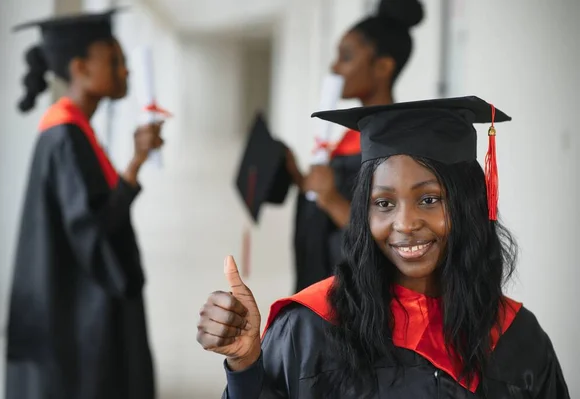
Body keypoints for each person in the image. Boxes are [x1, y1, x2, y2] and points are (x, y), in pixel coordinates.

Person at [197, 96, 570, 398]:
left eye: (429, 199)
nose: (405, 224)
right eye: (384, 203)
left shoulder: (516, 337)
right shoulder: (310, 326)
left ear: (470, 205)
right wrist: (246, 364)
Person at [7, 9, 160, 399]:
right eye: (115, 60)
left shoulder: (76, 129)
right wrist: (135, 165)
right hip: (78, 312)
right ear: (80, 68)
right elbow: (93, 230)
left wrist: (136, 163)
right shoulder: (65, 137)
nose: (125, 71)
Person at [289, 0, 424, 292]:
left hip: (355, 297)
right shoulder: (357, 131)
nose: (334, 67)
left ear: (383, 67)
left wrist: (329, 198)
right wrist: (299, 177)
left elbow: (392, 235)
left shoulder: (394, 144)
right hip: (319, 281)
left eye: (346, 57)